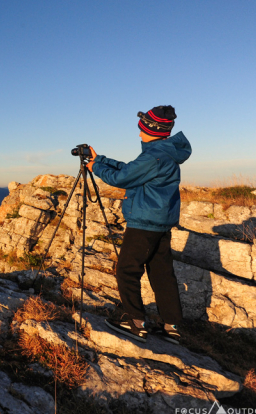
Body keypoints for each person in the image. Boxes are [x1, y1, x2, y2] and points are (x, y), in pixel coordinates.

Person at [86, 106, 191, 344]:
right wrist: (100, 159)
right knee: (162, 273)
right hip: (160, 223)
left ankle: (134, 321)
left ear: (151, 129)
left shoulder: (154, 157)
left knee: (127, 270)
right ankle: (171, 326)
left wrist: (95, 168)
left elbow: (120, 178)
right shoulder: (163, 153)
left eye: (141, 129)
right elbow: (130, 169)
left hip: (144, 223)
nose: (139, 133)